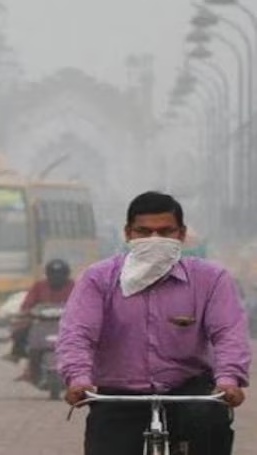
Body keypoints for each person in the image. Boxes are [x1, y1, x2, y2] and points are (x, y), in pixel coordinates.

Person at [58, 191, 249, 455]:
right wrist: (78, 378)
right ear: (128, 233)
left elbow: (229, 333)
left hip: (188, 388)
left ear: (181, 234)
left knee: (211, 425)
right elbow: (77, 333)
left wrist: (229, 379)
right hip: (119, 393)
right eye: (144, 231)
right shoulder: (98, 278)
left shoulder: (210, 278)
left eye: (165, 231)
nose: (154, 240)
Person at [4, 259, 75, 381]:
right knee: (20, 331)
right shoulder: (39, 286)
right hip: (41, 323)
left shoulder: (74, 286)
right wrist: (26, 312)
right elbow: (28, 304)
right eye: (53, 273)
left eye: (60, 273)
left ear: (66, 274)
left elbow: (85, 302)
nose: (56, 277)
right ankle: (18, 354)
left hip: (68, 324)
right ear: (47, 274)